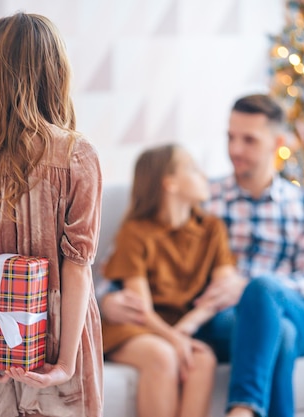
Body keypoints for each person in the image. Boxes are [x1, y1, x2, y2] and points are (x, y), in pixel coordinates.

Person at [101, 94, 304, 417]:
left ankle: (242, 409)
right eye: (230, 138)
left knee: (265, 296)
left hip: (289, 308)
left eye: (249, 140)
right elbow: (130, 260)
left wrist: (252, 287)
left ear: (278, 143)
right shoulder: (205, 200)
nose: (235, 150)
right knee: (279, 335)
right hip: (227, 320)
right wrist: (105, 300)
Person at [0, 13, 103, 417]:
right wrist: (65, 363)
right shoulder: (76, 155)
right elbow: (77, 266)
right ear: (57, 70)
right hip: (56, 336)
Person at [101, 144, 243, 417]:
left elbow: (220, 293)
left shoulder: (212, 228)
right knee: (162, 356)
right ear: (170, 184)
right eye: (192, 168)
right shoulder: (136, 232)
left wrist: (183, 331)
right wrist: (174, 339)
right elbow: (140, 310)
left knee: (203, 360)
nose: (203, 175)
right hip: (136, 327)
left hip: (179, 326)